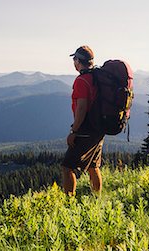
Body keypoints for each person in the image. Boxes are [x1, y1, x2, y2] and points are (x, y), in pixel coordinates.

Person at [61, 45, 105, 196]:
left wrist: (74, 131)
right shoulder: (97, 78)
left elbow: (81, 108)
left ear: (79, 61)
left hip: (85, 129)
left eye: (74, 59)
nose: (73, 62)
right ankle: (97, 198)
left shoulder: (81, 81)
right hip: (100, 127)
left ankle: (69, 202)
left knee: (67, 167)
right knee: (93, 166)